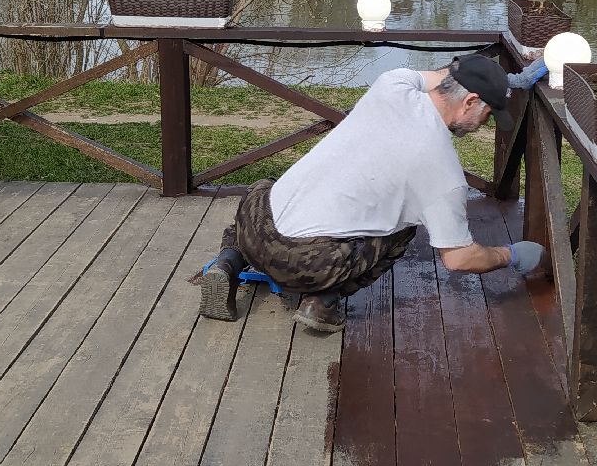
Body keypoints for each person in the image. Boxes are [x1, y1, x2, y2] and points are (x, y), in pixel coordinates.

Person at [197, 53, 546, 332]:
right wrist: (510, 255)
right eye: (488, 113)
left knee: (269, 188)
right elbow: (459, 259)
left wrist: (506, 82)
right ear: (469, 101)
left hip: (254, 225)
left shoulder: (392, 84)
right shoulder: (444, 174)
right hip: (302, 265)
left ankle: (228, 261)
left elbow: (444, 75)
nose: (485, 123)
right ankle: (322, 302)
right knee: (401, 230)